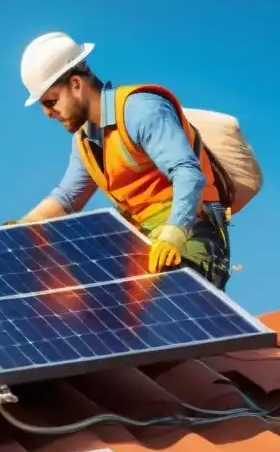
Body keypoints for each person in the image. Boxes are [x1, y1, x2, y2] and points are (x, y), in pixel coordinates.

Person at [12, 31, 231, 290]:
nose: (48, 113)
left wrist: (173, 234)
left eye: (50, 101)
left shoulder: (140, 110)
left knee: (170, 306)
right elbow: (68, 197)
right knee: (83, 297)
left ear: (75, 85)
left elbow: (187, 173)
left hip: (191, 233)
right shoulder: (85, 141)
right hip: (141, 240)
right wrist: (19, 228)